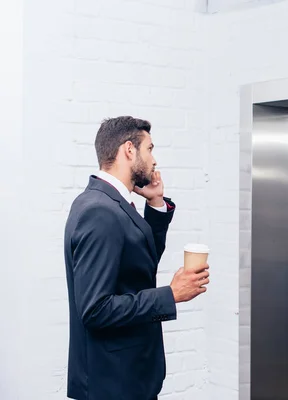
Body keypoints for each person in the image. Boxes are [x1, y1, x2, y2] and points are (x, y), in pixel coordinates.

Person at [63, 116, 209, 400]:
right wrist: (171, 294)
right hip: (113, 383)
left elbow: (139, 263)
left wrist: (155, 203)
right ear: (129, 150)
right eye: (149, 149)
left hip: (128, 378)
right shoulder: (100, 211)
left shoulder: (109, 203)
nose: (153, 160)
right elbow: (95, 310)